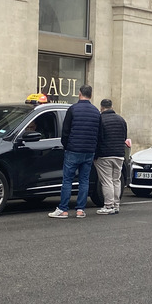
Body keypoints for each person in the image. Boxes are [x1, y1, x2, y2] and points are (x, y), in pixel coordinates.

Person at [48, 85, 100, 219]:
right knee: (84, 180)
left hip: (73, 150)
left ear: (79, 94)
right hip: (89, 151)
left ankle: (63, 209)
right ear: (91, 95)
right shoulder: (95, 112)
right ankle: (80, 210)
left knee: (67, 180)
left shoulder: (73, 109)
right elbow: (99, 133)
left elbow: (65, 131)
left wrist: (66, 145)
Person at [94, 98, 128, 215]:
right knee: (116, 180)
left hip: (105, 155)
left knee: (106, 181)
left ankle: (108, 205)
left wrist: (96, 155)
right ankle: (116, 205)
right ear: (112, 107)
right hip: (119, 154)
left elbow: (98, 139)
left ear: (101, 108)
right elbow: (124, 137)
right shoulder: (121, 120)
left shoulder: (100, 119)